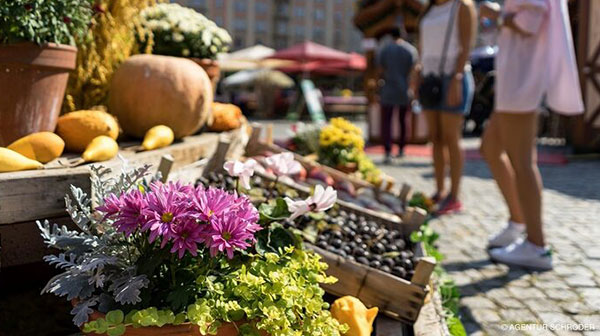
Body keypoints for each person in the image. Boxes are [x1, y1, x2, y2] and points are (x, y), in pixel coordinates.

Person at [479, 0, 583, 270]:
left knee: (522, 162)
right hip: (516, 77)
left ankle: (537, 245)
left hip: (523, 78)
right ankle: (518, 222)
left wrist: (497, 14)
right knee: (491, 147)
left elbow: (529, 23)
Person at [416, 0, 477, 215]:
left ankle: (455, 195)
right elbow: (422, 44)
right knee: (436, 137)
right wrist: (418, 71)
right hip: (430, 77)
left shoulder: (462, 6)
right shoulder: (428, 9)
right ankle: (440, 190)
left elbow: (466, 46)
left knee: (451, 137)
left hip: (453, 77)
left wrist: (457, 78)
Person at [376, 27, 418, 163]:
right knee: (403, 120)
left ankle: (387, 150)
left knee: (386, 121)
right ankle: (401, 148)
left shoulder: (385, 49)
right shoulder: (410, 50)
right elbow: (414, 71)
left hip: (388, 89)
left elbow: (380, 69)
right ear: (403, 35)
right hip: (404, 90)